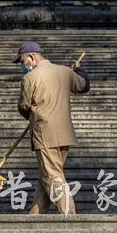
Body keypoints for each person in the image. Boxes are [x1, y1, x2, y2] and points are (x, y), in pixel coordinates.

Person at [13, 40, 90, 216]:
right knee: (47, 176)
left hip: (45, 134)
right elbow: (84, 85)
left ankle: (69, 215)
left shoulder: (30, 78)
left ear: (31, 57)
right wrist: (77, 69)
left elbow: (23, 106)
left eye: (22, 61)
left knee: (53, 176)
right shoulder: (64, 71)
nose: (22, 66)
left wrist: (32, 117)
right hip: (64, 135)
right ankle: (35, 215)